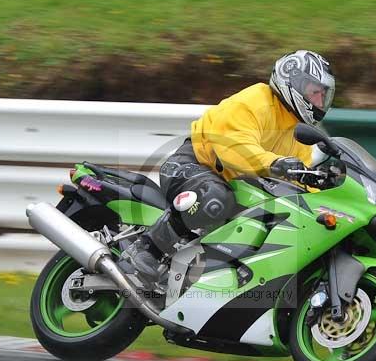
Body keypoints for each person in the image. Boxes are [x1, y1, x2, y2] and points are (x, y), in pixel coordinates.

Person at [122, 49, 336, 281]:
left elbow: (300, 180)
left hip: (235, 187)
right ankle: (146, 248)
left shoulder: (297, 132)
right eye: (315, 93)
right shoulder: (257, 100)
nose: (319, 101)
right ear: (292, 80)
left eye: (323, 96)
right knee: (215, 198)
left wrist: (322, 204)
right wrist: (275, 163)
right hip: (192, 165)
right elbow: (234, 148)